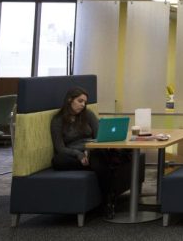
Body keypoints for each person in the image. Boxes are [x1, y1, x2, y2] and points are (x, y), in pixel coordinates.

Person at [50, 87, 128, 218]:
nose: (83, 105)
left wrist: (89, 149)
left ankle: (107, 203)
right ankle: (109, 198)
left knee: (98, 157)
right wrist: (79, 154)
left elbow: (99, 135)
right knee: (58, 160)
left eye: (85, 102)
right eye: (80, 101)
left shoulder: (88, 114)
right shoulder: (58, 120)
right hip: (72, 153)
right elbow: (60, 148)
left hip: (92, 149)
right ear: (70, 100)